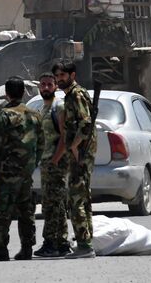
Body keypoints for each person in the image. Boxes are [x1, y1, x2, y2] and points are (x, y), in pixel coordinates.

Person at [0, 77, 44, 262]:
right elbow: (41, 145)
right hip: (26, 173)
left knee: (2, 210)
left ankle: (1, 248)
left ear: (7, 94)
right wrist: (31, 164)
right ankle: (27, 249)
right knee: (26, 210)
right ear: (23, 92)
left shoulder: (4, 115)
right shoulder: (35, 115)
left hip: (7, 172)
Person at [51, 60, 97, 259]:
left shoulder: (76, 95)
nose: (59, 79)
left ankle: (85, 245)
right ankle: (86, 242)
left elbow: (85, 123)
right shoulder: (72, 94)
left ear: (72, 75)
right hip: (80, 153)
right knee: (83, 198)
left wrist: (75, 146)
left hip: (81, 154)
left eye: (62, 75)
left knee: (76, 199)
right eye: (57, 76)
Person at [33, 72, 72, 258]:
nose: (46, 87)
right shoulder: (43, 109)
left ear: (56, 86)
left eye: (50, 84)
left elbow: (65, 137)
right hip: (47, 162)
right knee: (56, 203)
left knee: (51, 204)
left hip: (56, 162)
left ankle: (50, 243)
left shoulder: (59, 106)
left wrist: (56, 159)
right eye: (43, 85)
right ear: (39, 87)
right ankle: (63, 242)